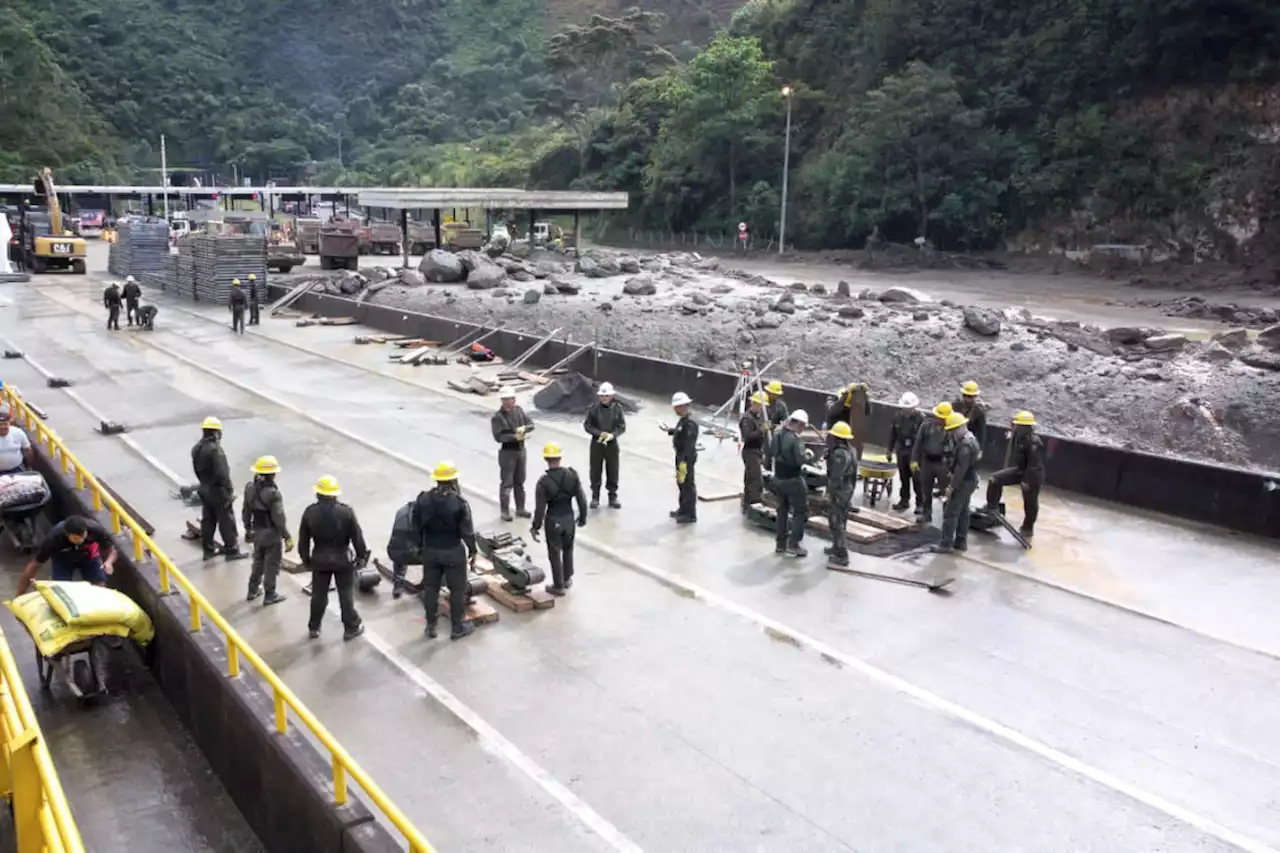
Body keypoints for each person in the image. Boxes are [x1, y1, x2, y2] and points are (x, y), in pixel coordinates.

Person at [412, 462, 478, 640]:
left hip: (431, 550)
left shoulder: (423, 499)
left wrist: (419, 547)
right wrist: (473, 550)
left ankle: (431, 626)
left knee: (431, 589)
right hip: (453, 552)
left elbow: (415, 526)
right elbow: (467, 531)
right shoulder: (459, 503)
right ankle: (457, 627)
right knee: (457, 591)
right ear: (453, 480)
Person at [299, 475, 368, 641]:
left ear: (317, 494)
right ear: (335, 494)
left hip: (320, 559)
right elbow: (357, 537)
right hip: (342, 559)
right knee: (345, 595)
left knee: (318, 595)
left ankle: (314, 627)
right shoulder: (346, 512)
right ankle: (351, 627)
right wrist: (361, 557)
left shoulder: (310, 512)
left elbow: (303, 540)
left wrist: (306, 560)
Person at [530, 443, 588, 596]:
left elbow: (540, 508)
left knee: (555, 553)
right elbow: (581, 498)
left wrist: (535, 527)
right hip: (569, 518)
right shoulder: (572, 475)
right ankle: (567, 578)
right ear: (560, 457)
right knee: (568, 549)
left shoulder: (543, 482)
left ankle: (558, 585)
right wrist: (583, 516)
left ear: (546, 459)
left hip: (554, 519)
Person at [191, 416, 247, 560]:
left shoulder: (196, 448)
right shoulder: (215, 450)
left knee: (208, 520)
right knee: (226, 520)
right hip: (218, 490)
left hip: (204, 488)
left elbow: (197, 470)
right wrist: (229, 491)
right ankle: (232, 550)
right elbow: (222, 473)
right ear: (216, 432)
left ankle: (208, 550)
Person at [18, 516, 117, 594]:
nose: (80, 540)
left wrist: (108, 562)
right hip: (63, 559)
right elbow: (35, 564)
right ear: (66, 534)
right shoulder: (53, 539)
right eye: (75, 539)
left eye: (83, 536)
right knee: (61, 590)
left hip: (89, 556)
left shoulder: (96, 530)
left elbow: (112, 550)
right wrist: (20, 595)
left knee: (99, 586)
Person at [985, 410, 1045, 539]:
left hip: (1033, 475)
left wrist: (1027, 481)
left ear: (1026, 427)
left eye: (1018, 425)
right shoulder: (1018, 436)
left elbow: (1033, 465)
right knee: (994, 479)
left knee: (1030, 502)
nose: (1015, 427)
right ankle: (992, 507)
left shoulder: (1033, 442)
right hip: (1020, 470)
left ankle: (1028, 528)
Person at [242, 455, 291, 606]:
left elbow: (246, 512)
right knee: (271, 564)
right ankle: (270, 594)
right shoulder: (273, 494)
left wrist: (248, 528)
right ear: (272, 474)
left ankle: (252, 589)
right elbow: (279, 518)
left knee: (258, 561)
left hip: (257, 532)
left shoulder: (250, 488)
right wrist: (287, 536)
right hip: (271, 534)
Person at [934, 413, 980, 554]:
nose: (953, 434)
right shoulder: (971, 439)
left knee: (951, 512)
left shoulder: (965, 445)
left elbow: (961, 469)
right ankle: (961, 541)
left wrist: (951, 487)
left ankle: (945, 544)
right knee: (964, 511)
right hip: (970, 480)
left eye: (954, 430)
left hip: (963, 482)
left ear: (961, 427)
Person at [771, 409, 811, 557]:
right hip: (793, 480)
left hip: (778, 478)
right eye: (803, 426)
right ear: (799, 424)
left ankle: (780, 544)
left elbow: (771, 452)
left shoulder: (777, 435)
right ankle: (794, 544)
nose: (803, 429)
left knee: (782, 510)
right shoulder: (795, 440)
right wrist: (808, 455)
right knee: (800, 511)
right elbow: (800, 460)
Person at [490, 387, 534, 521]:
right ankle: (505, 511)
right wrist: (515, 436)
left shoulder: (519, 411)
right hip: (507, 452)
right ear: (503, 401)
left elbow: (531, 424)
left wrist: (524, 429)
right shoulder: (498, 417)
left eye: (511, 399)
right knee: (507, 483)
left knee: (520, 481)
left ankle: (520, 508)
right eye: (506, 399)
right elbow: (499, 437)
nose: (509, 402)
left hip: (521, 451)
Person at [582, 382, 626, 509]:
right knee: (595, 470)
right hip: (597, 444)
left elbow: (622, 426)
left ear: (612, 396)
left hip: (612, 444)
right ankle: (595, 496)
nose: (604, 398)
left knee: (613, 470)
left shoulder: (617, 409)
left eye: (606, 396)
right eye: (602, 396)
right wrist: (599, 433)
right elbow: (587, 425)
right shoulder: (594, 409)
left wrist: (613, 435)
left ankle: (613, 496)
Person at [911, 402, 952, 524]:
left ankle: (948, 516)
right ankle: (926, 514)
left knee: (946, 490)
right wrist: (914, 460)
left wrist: (951, 468)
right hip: (927, 461)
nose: (940, 420)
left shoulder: (951, 428)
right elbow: (918, 442)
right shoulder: (927, 425)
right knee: (926, 489)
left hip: (942, 463)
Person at [824, 421, 858, 568]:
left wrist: (829, 493)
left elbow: (835, 476)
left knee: (835, 521)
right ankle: (836, 546)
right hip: (847, 489)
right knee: (841, 520)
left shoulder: (839, 454)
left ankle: (842, 554)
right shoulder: (851, 450)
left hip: (840, 490)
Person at [664, 391, 699, 523]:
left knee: (687, 485)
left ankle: (690, 514)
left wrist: (684, 462)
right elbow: (681, 432)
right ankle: (683, 509)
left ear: (683, 406)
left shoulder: (690, 423)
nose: (674, 409)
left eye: (676, 407)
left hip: (685, 459)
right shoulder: (684, 421)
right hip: (680, 457)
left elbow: (689, 444)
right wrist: (673, 431)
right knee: (681, 483)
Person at [887, 392, 924, 512]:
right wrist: (889, 450)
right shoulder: (897, 417)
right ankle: (904, 500)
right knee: (904, 477)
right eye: (905, 408)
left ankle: (920, 504)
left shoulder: (921, 419)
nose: (906, 411)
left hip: (915, 452)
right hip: (902, 450)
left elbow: (924, 438)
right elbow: (892, 434)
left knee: (917, 479)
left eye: (909, 409)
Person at [739, 390, 769, 513]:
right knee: (755, 480)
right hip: (750, 451)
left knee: (750, 478)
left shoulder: (758, 417)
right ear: (755, 404)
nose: (762, 409)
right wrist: (761, 430)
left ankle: (747, 503)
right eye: (761, 406)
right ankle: (753, 505)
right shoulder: (747, 419)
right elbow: (747, 436)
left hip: (757, 451)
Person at [825, 382, 871, 457]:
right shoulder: (831, 401)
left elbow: (867, 411)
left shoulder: (850, 407)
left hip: (846, 438)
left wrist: (865, 397)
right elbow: (833, 411)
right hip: (833, 437)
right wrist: (846, 395)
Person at [953, 381, 988, 457]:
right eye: (965, 395)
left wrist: (980, 450)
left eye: (970, 396)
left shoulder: (979, 411)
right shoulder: (955, 405)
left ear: (975, 396)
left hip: (968, 444)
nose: (967, 399)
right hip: (953, 441)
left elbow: (981, 432)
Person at [762, 379, 788, 470]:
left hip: (773, 435)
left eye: (775, 394)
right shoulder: (762, 402)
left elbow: (786, 421)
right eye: (770, 393)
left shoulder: (781, 406)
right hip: (761, 433)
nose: (772, 395)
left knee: (771, 455)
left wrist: (776, 427)